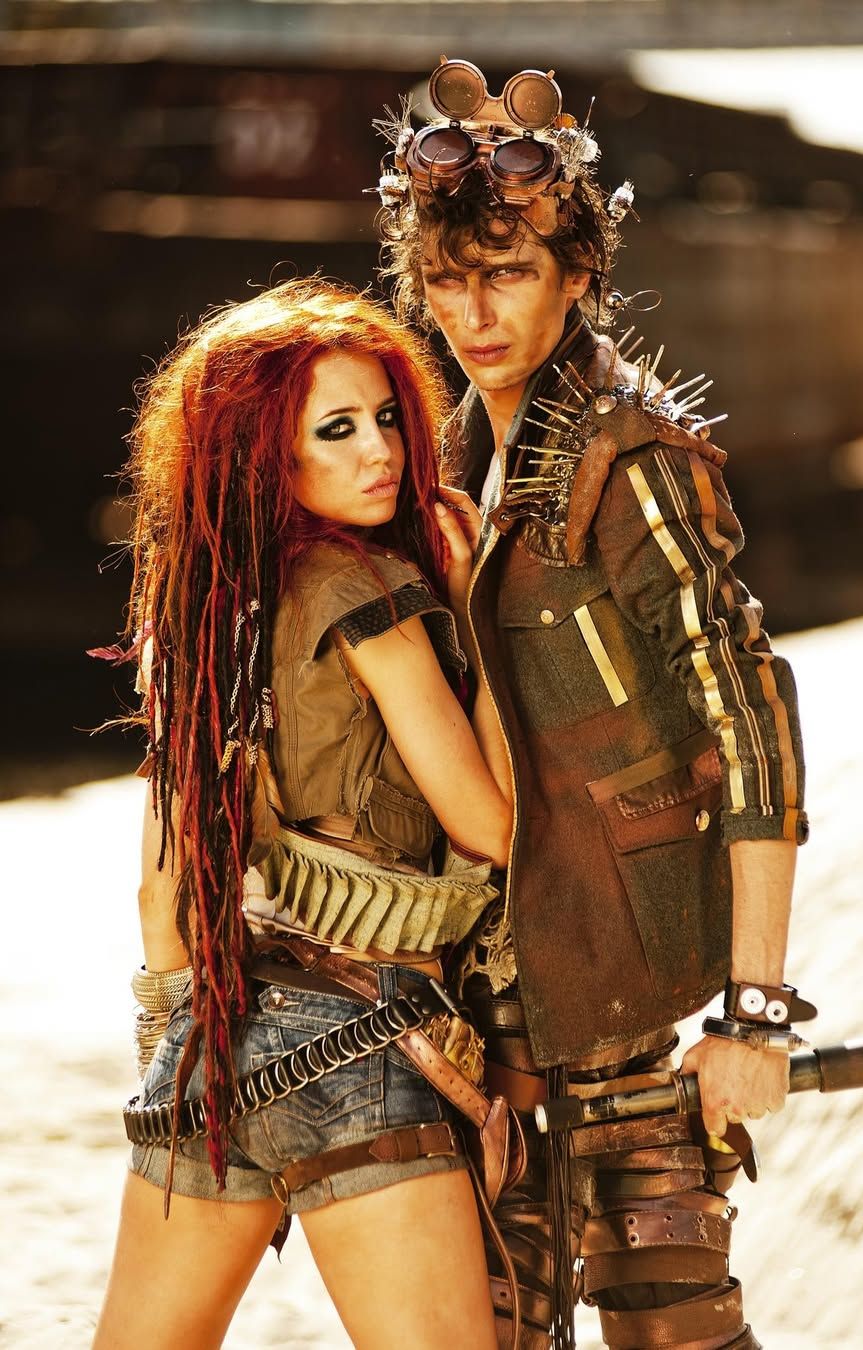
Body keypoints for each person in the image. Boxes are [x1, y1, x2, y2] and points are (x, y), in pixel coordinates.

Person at [375, 59, 811, 1349]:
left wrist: (755, 1013)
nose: (472, 312)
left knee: (672, 1327)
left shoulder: (629, 457)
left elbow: (749, 712)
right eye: (445, 280)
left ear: (576, 274)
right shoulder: (453, 452)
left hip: (626, 992)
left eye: (506, 273)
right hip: (491, 1003)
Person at [92, 278, 518, 1350]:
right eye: (338, 430)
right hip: (361, 1040)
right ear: (266, 455)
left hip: (208, 1039)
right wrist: (480, 606)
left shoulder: (199, 606)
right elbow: (494, 828)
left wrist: (178, 1053)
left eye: (386, 418)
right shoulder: (363, 587)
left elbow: (162, 883)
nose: (381, 451)